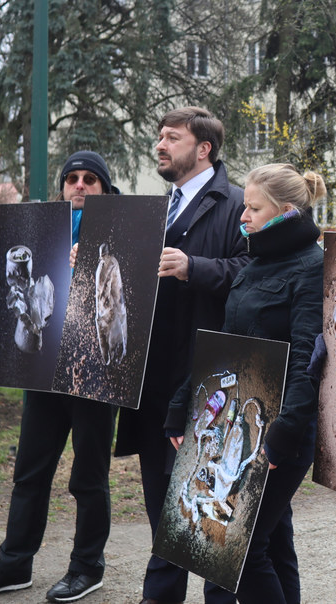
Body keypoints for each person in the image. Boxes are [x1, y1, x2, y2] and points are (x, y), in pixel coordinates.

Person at [0, 151, 121, 602]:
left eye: (91, 179)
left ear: (105, 188)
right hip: (44, 369)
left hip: (94, 373)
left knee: (89, 478)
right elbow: (28, 300)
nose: (80, 185)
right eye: (72, 178)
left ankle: (87, 567)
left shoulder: (119, 230)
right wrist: (2, 292)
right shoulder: (41, 230)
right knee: (29, 474)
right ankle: (14, 565)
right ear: (62, 186)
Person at [164, 163, 325, 603]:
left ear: (285, 211)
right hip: (236, 422)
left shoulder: (313, 267)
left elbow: (309, 361)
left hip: (276, 434)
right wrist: (183, 405)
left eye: (253, 208)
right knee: (271, 541)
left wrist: (284, 434)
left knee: (241, 545)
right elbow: (226, 345)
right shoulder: (255, 261)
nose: (243, 216)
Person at [115, 106, 248, 604]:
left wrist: (196, 267)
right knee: (161, 510)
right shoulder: (156, 209)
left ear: (204, 149)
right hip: (152, 382)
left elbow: (254, 277)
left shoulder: (238, 205)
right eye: (159, 137)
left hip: (209, 382)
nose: (160, 145)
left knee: (212, 516)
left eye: (172, 138)